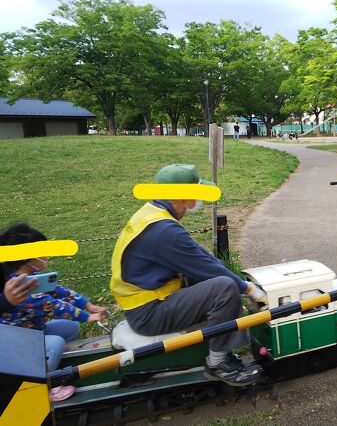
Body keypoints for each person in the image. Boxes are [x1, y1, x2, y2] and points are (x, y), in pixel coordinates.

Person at [110, 164, 268, 387]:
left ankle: (216, 339)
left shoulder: (154, 214)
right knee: (223, 287)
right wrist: (249, 290)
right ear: (181, 196)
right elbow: (208, 268)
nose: (198, 199)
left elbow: (203, 258)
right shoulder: (164, 231)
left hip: (147, 303)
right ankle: (218, 363)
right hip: (149, 313)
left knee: (213, 277)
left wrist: (242, 284)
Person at [0, 223, 106, 401]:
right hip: (16, 344)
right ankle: (39, 385)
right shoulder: (18, 288)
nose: (46, 255)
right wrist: (89, 317)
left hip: (32, 331)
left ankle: (52, 365)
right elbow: (54, 306)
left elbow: (59, 291)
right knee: (56, 343)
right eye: (43, 251)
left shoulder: (31, 279)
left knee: (70, 328)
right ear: (29, 258)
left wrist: (88, 306)